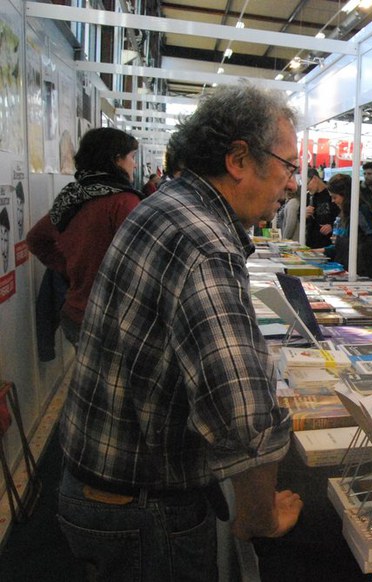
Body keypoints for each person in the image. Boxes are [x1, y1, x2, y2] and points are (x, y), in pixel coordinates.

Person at [56, 85, 303, 580]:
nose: (293, 184)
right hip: (142, 507)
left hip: (103, 484)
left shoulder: (168, 204)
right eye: (288, 166)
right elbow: (243, 417)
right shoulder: (205, 242)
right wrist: (259, 517)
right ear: (238, 159)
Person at [26, 127, 144, 346]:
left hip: (75, 313)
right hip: (112, 320)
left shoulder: (71, 198)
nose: (135, 164)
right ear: (116, 159)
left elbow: (35, 239)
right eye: (132, 157)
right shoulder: (123, 202)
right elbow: (141, 264)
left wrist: (69, 268)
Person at [324, 173, 372, 279]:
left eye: (334, 197)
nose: (333, 201)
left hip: (359, 270)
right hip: (345, 267)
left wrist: (340, 242)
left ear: (344, 195)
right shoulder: (344, 214)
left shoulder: (360, 212)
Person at [304, 168, 339, 249]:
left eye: (307, 183)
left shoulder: (331, 195)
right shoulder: (307, 197)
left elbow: (340, 216)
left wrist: (332, 226)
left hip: (328, 244)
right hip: (311, 243)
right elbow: (299, 217)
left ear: (315, 179)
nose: (306, 188)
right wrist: (304, 214)